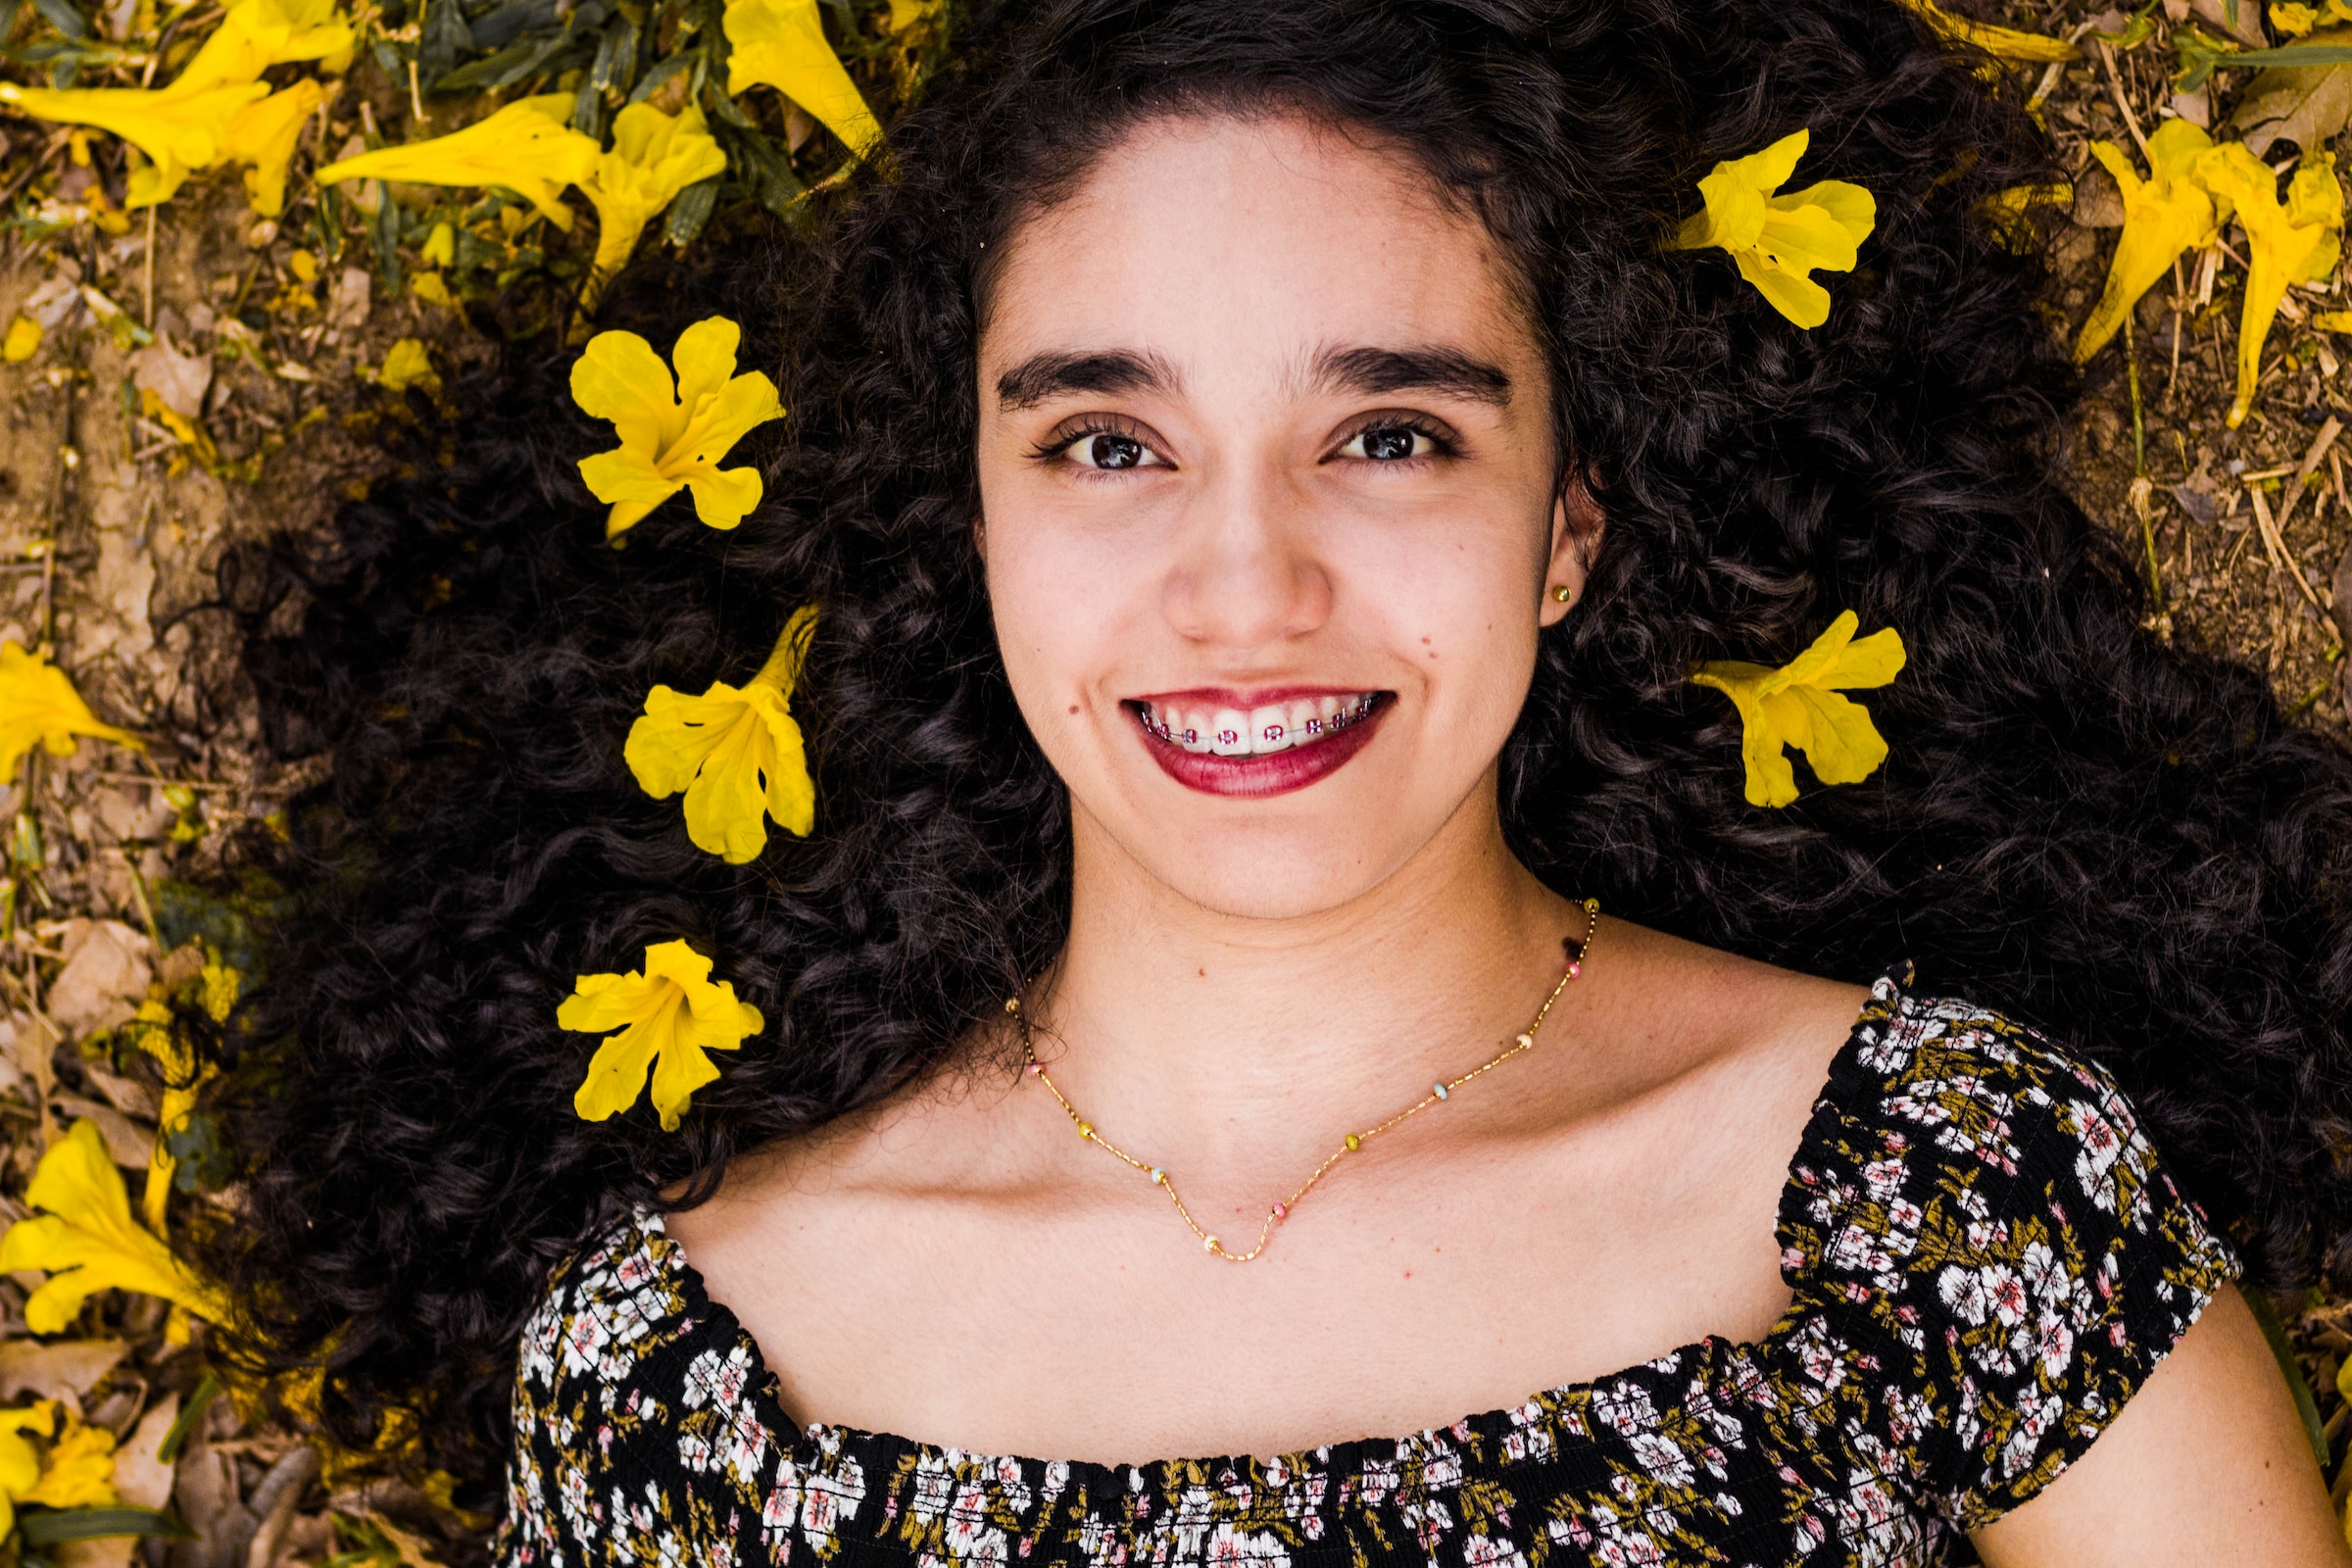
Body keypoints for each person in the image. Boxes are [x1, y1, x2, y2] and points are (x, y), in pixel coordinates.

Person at [206, 0, 2352, 1562]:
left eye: (1393, 432)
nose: (1246, 587)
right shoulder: (685, 1371)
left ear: (1570, 521)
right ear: (973, 527)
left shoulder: (1943, 1189)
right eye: (1108, 444)